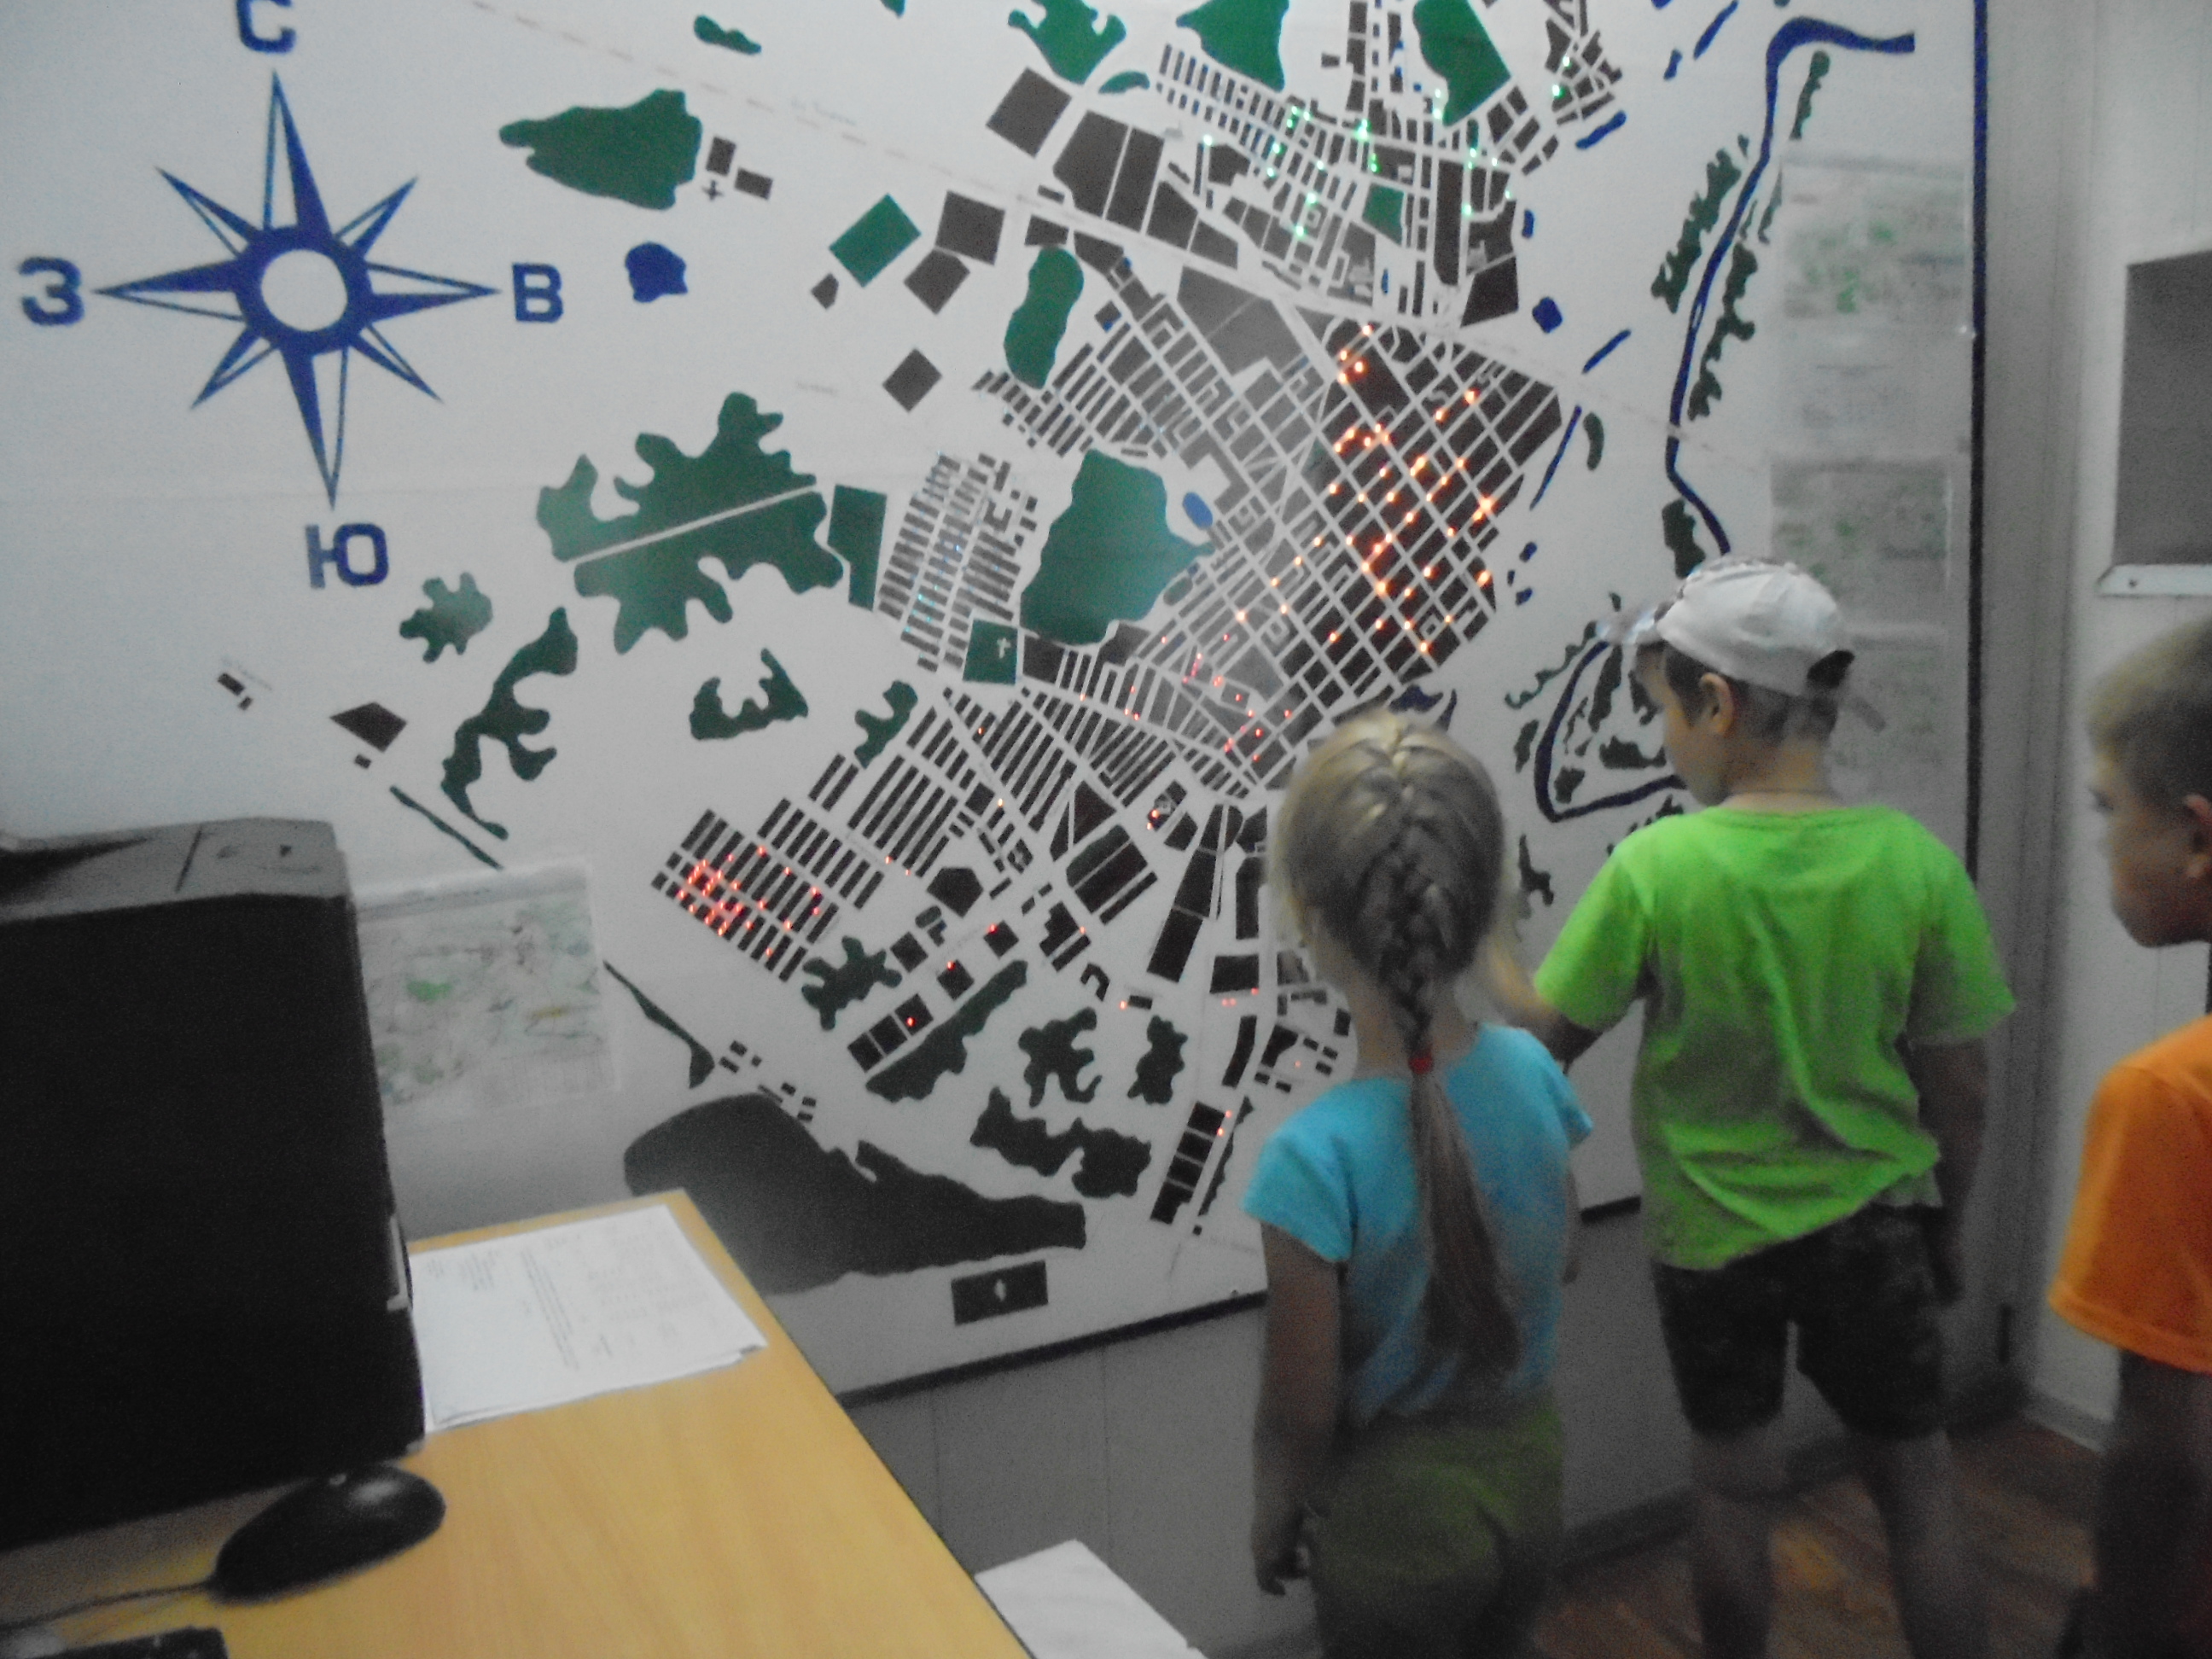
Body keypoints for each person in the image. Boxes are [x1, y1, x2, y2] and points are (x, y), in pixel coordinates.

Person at [1493, 554, 2014, 1659]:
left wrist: (1491, 941)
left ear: (1720, 706)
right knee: (1920, 1491)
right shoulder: (1916, 865)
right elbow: (1961, 1091)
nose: (1664, 739)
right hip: (1876, 1229)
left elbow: (1544, 1037)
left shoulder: (1659, 868)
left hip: (1712, 1244)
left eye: (1665, 713)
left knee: (1732, 1490)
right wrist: (1947, 1227)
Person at [1243, 709, 1592, 1658]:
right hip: (1531, 1483)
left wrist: (1273, 1516)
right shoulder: (1535, 1074)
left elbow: (1299, 1413)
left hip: (1391, 1525)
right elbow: (1563, 1257)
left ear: (1310, 922)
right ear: (1480, 909)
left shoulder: (1311, 1162)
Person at [2047, 616, 2212, 1659]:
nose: (2102, 836)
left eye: (2111, 808)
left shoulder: (2169, 1098)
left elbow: (2165, 1454)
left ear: (2197, 838)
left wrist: (2120, 1632)